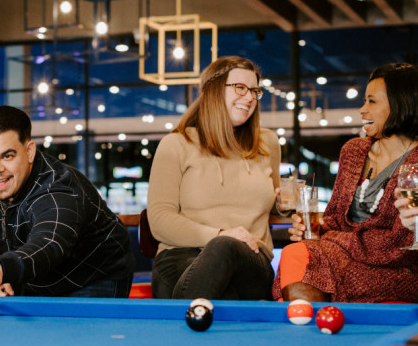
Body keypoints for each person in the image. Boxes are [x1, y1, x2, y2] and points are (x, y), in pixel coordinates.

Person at [0, 105, 134, 304]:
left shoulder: (58, 188)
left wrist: (1, 268)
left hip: (94, 276)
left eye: (7, 156)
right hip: (37, 280)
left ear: (29, 151)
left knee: (74, 336)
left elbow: (50, 243)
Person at [275, 63, 418, 303]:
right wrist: (317, 226)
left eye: (372, 102)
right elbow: (335, 220)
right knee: (297, 254)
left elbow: (400, 244)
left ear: (400, 104)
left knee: (301, 259)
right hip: (341, 257)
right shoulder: (353, 151)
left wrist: (334, 240)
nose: (362, 109)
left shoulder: (415, 164)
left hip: (397, 272)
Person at [146, 56, 281, 300]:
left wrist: (288, 209)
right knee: (224, 291)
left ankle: (179, 327)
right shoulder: (176, 144)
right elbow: (159, 220)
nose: (250, 97)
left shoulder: (267, 143)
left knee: (225, 249)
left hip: (250, 260)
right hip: (179, 257)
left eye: (255, 90)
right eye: (240, 88)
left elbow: (277, 202)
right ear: (213, 91)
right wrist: (218, 235)